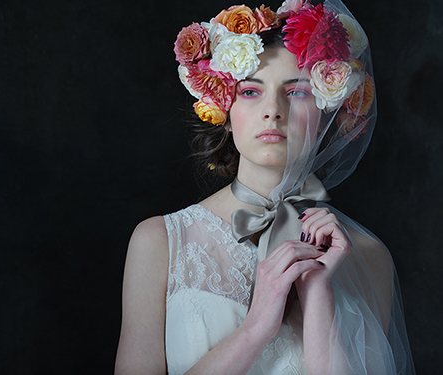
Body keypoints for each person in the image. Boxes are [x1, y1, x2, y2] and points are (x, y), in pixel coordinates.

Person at [115, 1, 415, 374]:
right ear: (223, 111)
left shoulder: (369, 257)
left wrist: (319, 297)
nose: (273, 110)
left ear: (325, 114)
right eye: (251, 92)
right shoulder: (159, 241)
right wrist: (257, 326)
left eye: (297, 92)